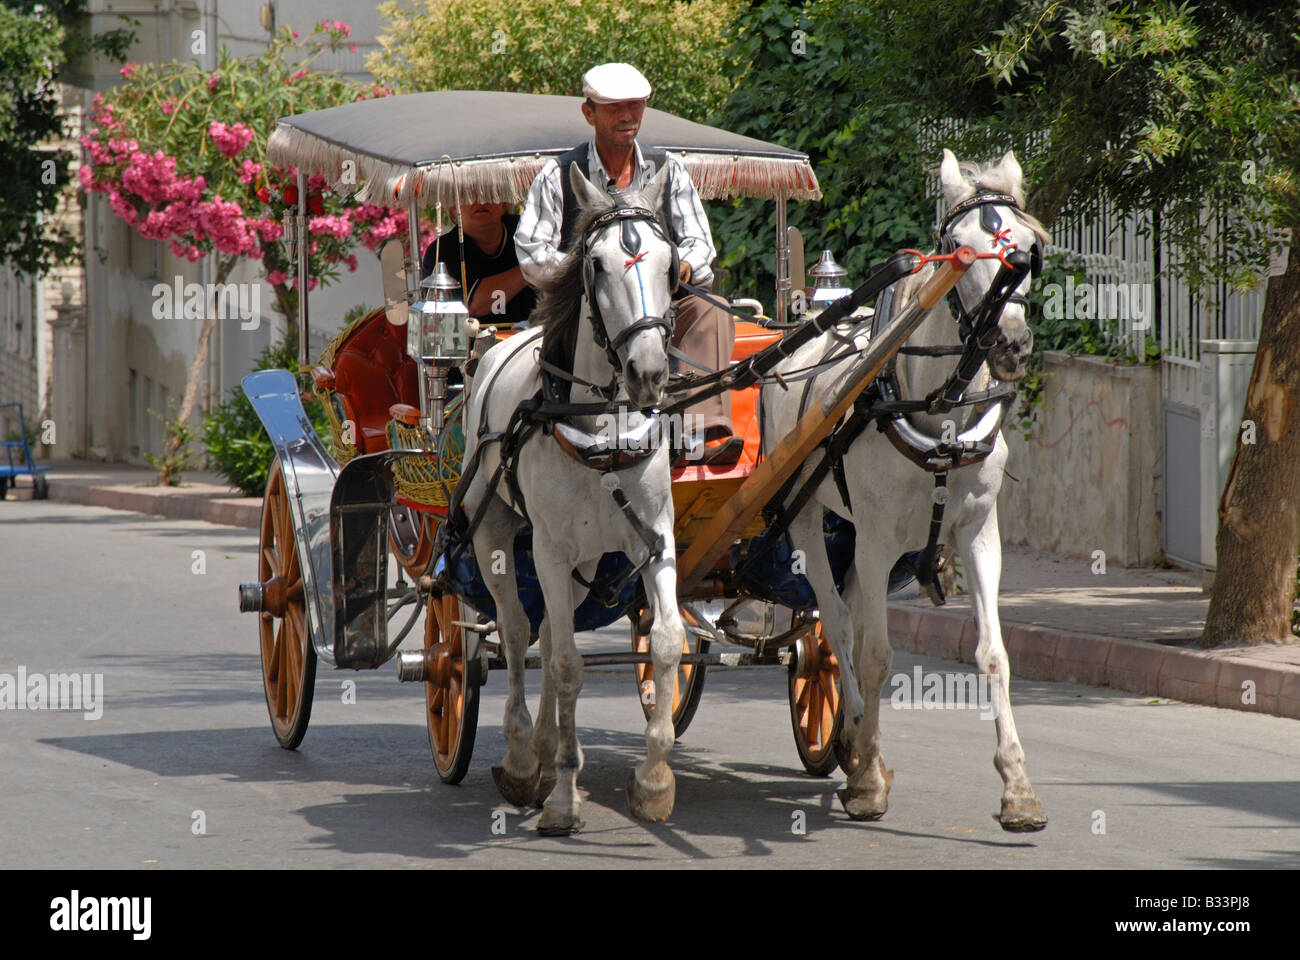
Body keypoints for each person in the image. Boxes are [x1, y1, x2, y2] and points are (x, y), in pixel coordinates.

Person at [515, 62, 743, 466]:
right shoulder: (559, 174)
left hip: (660, 305)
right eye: (614, 107)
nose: (627, 116)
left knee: (711, 309)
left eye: (636, 105)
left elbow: (700, 246)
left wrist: (679, 267)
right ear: (589, 113)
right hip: (586, 312)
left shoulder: (669, 170)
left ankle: (699, 433)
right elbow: (532, 254)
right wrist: (591, 273)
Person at [422, 202, 536, 327]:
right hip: (472, 343)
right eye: (470, 195)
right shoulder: (442, 251)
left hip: (533, 340)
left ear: (503, 204)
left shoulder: (528, 234)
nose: (480, 202)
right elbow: (475, 305)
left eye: (488, 193)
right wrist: (531, 269)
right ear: (454, 207)